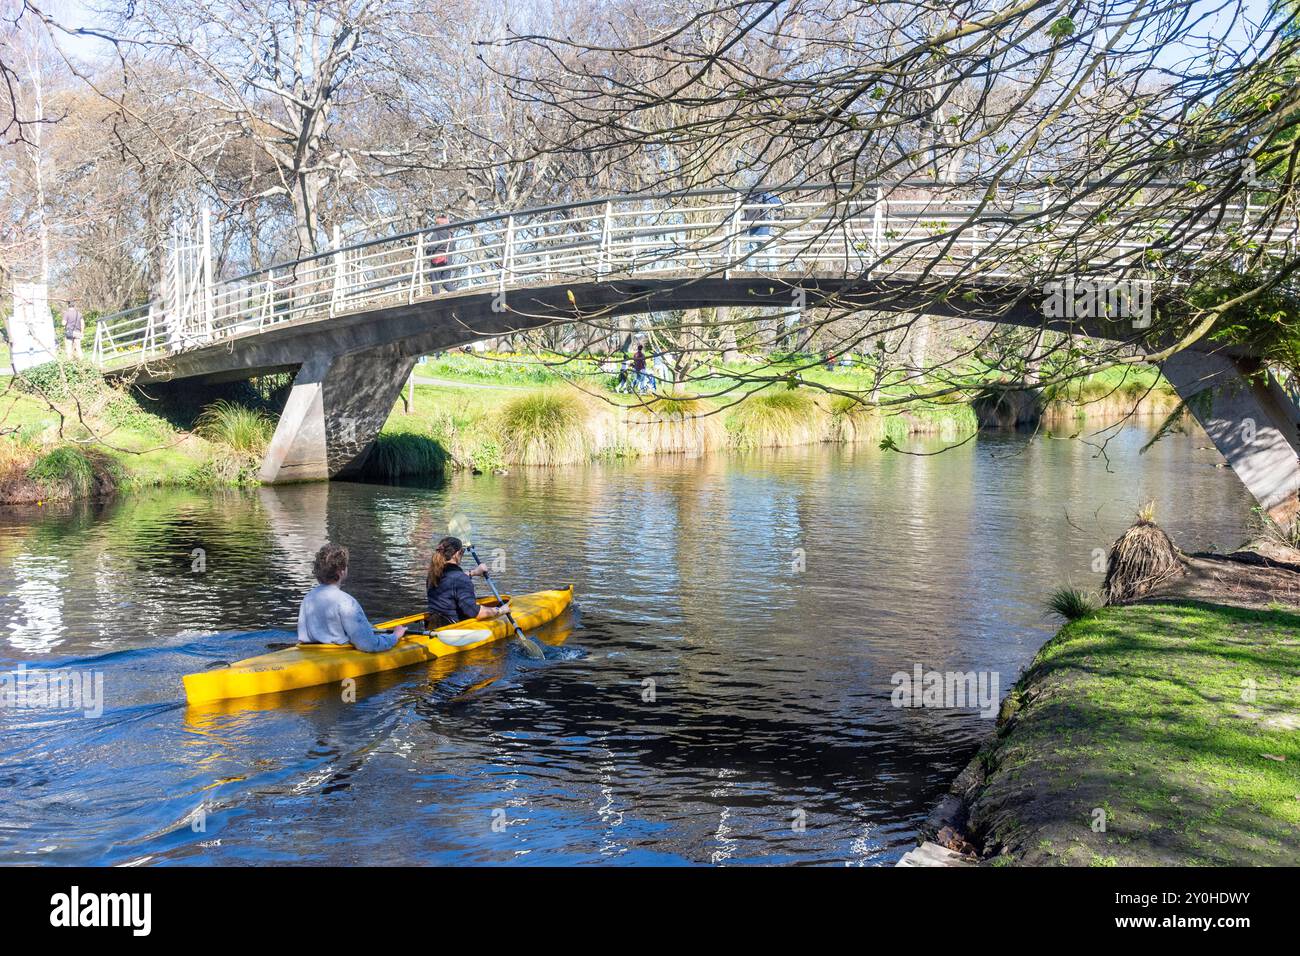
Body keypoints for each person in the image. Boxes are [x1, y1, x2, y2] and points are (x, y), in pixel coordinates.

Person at [298, 543, 404, 652]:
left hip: (309, 653)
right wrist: (395, 636)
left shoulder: (308, 598)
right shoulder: (346, 602)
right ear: (341, 571)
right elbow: (369, 645)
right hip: (338, 657)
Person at [426, 535, 512, 627]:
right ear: (456, 554)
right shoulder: (460, 579)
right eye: (462, 551)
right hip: (453, 630)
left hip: (434, 625)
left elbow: (451, 580)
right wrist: (500, 610)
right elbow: (474, 612)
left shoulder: (433, 575)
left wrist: (474, 572)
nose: (462, 554)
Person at [427, 213, 457, 292]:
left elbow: (432, 246)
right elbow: (453, 248)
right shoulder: (450, 235)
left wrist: (428, 252)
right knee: (446, 282)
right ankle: (458, 295)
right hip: (448, 261)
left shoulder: (437, 232)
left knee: (435, 281)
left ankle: (435, 300)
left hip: (437, 260)